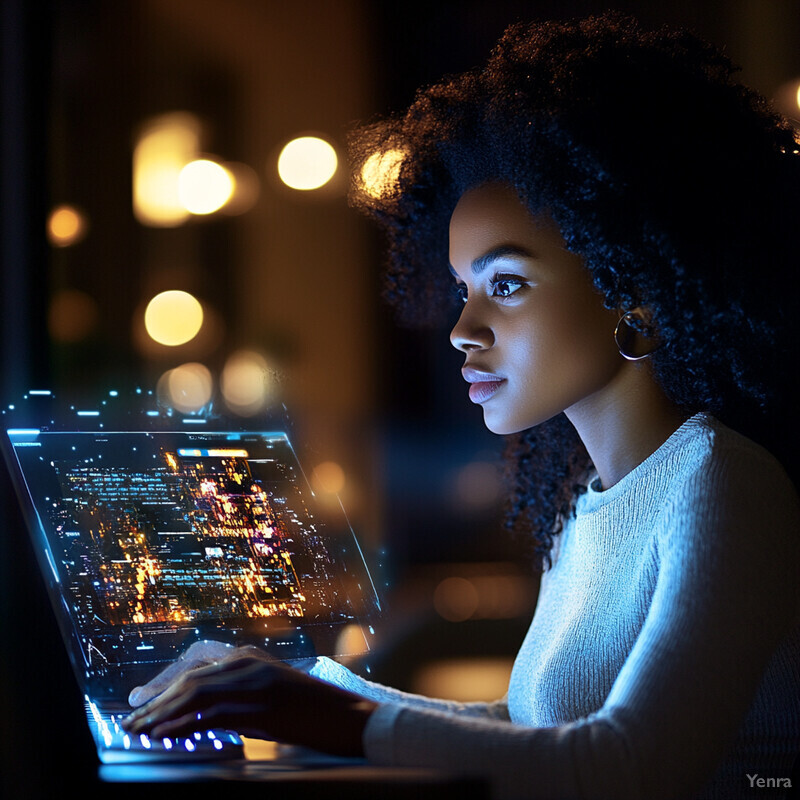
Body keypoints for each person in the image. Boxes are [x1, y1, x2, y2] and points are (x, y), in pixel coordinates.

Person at [124, 13, 800, 799]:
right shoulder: (585, 502)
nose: (461, 330)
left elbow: (632, 765)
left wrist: (323, 714)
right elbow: (534, 730)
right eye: (461, 288)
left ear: (637, 293)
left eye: (505, 285)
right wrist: (295, 686)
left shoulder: (724, 482)